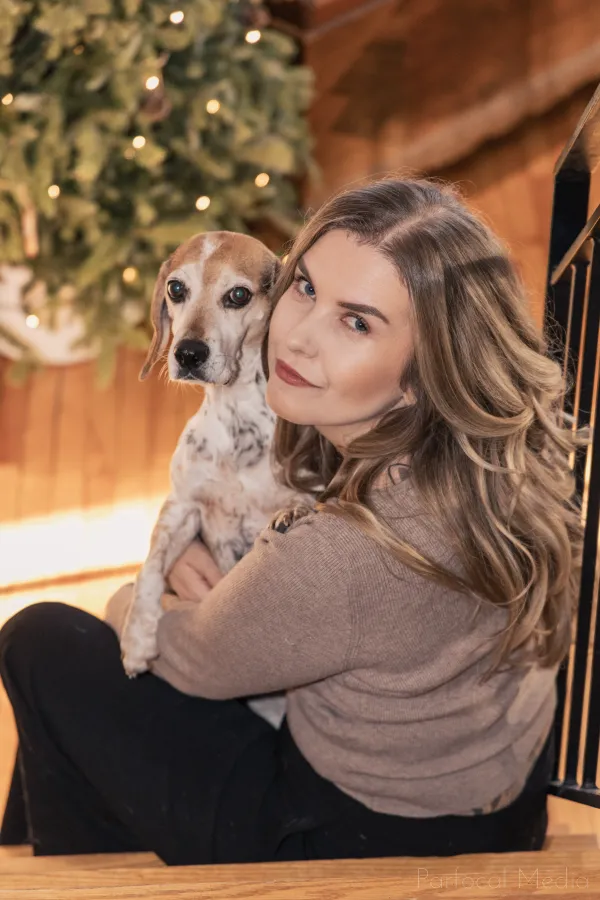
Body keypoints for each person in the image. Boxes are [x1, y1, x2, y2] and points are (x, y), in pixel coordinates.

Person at [0, 177, 586, 864]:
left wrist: (136, 595)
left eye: (357, 322)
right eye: (304, 287)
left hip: (363, 835)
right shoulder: (486, 446)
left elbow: (194, 657)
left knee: (41, 644)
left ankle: (73, 871)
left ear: (425, 370)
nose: (297, 337)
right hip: (493, 769)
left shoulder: (339, 554)